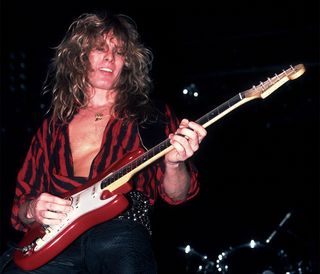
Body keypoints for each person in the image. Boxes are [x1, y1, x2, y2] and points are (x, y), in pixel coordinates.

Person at [2, 12, 207, 274]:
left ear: (128, 62)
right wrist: (33, 209)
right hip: (54, 239)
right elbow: (21, 204)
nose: (110, 57)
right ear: (79, 57)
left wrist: (175, 164)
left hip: (119, 231)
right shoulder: (53, 124)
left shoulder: (151, 117)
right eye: (100, 49)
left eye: (119, 52)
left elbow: (178, 194)